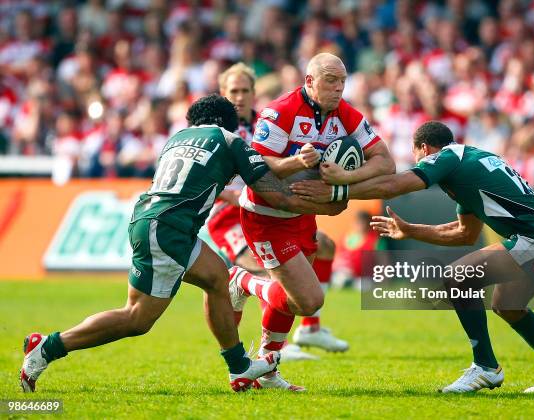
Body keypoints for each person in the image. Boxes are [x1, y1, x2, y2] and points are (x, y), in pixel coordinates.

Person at [20, 94, 345, 393]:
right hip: (169, 229)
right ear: (229, 121)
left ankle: (239, 368)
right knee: (137, 318)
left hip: (153, 219)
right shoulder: (230, 141)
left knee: (218, 278)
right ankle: (47, 347)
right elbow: (274, 193)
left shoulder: (177, 139)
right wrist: (329, 203)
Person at [291, 120, 534, 394]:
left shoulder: (448, 158)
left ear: (425, 149)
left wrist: (338, 188)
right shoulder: (468, 166)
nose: (419, 162)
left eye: (417, 155)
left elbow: (393, 185)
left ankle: (486, 366)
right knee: (508, 306)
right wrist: (410, 230)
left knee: (457, 277)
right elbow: (464, 234)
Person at [230, 52, 395, 391]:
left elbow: (385, 163)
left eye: (343, 81)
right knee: (308, 299)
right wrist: (293, 162)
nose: (338, 88)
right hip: (265, 216)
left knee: (294, 299)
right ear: (310, 81)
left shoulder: (346, 114)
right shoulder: (281, 111)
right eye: (331, 80)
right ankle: (243, 281)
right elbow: (255, 166)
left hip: (302, 216)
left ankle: (269, 369)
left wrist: (342, 178)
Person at [206, 63, 346, 360]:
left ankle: (309, 328)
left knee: (324, 247)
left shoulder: (266, 125)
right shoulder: (216, 130)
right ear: (222, 93)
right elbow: (203, 177)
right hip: (229, 214)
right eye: (234, 91)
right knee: (269, 273)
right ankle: (272, 344)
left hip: (270, 205)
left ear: (254, 93)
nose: (240, 97)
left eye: (245, 91)